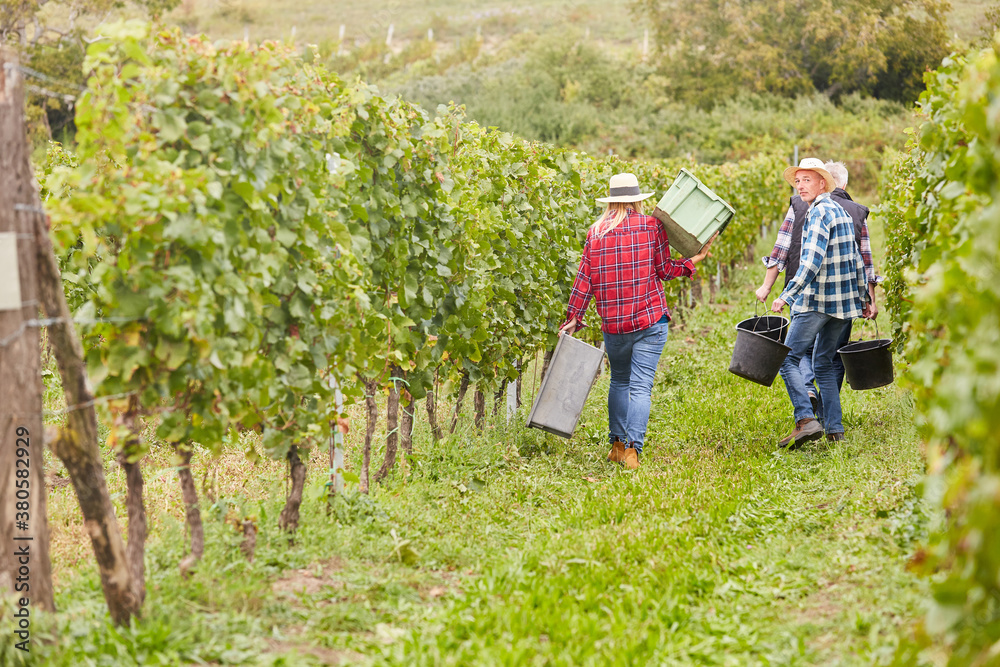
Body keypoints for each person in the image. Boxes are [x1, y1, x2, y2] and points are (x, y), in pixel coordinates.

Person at [559, 173, 715, 469]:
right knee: (641, 387)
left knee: (618, 381)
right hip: (648, 320)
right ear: (636, 200)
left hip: (614, 326)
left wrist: (574, 317)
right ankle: (633, 450)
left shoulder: (595, 233)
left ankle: (617, 446)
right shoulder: (651, 226)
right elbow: (665, 270)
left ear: (611, 201)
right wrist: (692, 262)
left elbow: (584, 280)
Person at [755, 160, 879, 421]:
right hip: (842, 306)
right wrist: (863, 297)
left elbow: (811, 262)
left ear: (823, 183)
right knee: (823, 363)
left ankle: (805, 419)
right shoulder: (841, 212)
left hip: (816, 303)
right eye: (797, 181)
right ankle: (834, 429)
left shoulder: (818, 213)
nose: (800, 187)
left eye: (807, 180)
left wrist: (785, 295)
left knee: (787, 360)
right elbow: (857, 260)